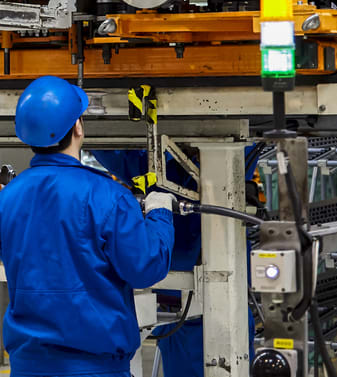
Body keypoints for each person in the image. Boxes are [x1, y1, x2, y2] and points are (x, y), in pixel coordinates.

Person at [0, 76, 176, 377]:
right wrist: (159, 213)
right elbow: (145, 268)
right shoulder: (108, 196)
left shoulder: (7, 198)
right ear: (78, 127)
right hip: (94, 368)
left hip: (27, 367)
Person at [93, 145, 259, 377]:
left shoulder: (218, 157)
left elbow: (107, 148)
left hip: (214, 307)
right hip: (178, 313)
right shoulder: (158, 166)